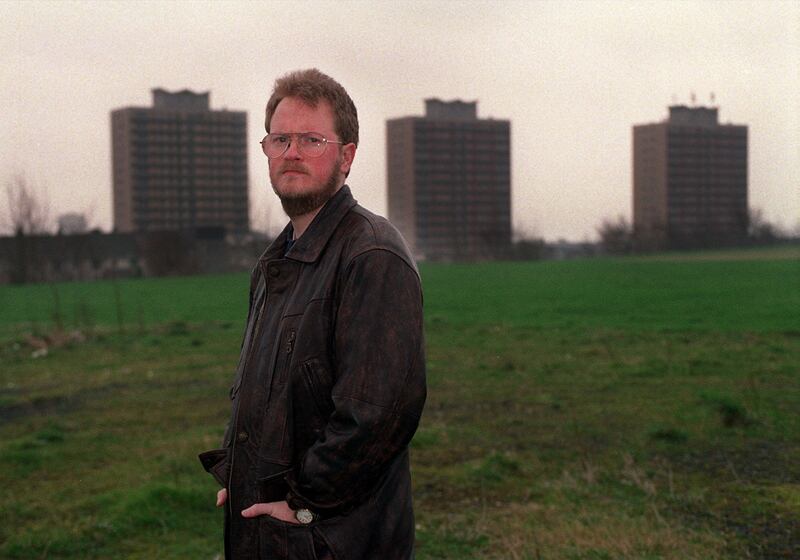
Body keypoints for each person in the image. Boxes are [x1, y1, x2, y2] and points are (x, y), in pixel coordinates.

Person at [200, 69, 426, 559]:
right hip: (269, 531)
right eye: (280, 139)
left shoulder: (371, 254)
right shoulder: (275, 263)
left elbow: (377, 415)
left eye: (311, 139)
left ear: (346, 156)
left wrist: (303, 502)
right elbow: (271, 389)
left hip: (332, 541)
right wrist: (239, 476)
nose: (292, 152)